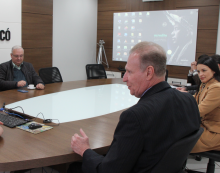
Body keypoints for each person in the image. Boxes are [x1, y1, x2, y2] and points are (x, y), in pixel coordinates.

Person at [68, 41, 200, 173]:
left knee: (73, 168)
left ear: (149, 72)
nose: (124, 78)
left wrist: (85, 150)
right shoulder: (189, 100)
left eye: (129, 72)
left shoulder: (136, 116)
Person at [190, 56, 220, 153]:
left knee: (175, 141)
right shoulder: (206, 83)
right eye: (198, 71)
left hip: (217, 135)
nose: (200, 74)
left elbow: (198, 112)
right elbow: (194, 99)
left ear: (214, 70)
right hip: (208, 128)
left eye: (204, 70)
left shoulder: (217, 88)